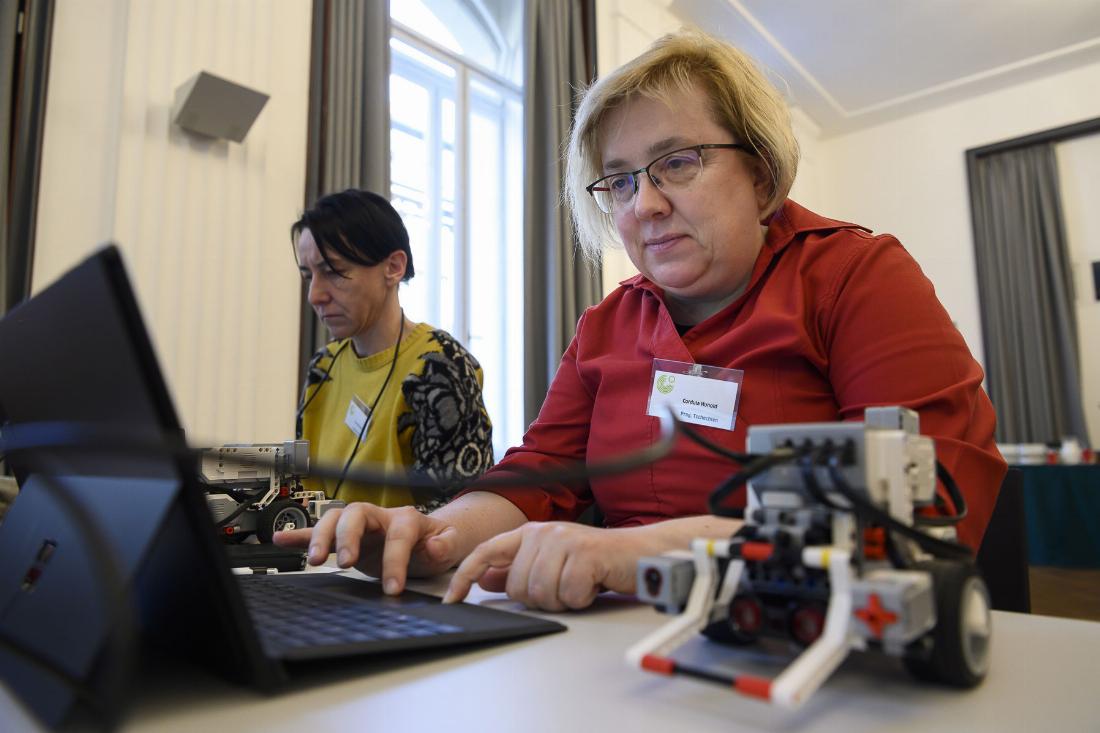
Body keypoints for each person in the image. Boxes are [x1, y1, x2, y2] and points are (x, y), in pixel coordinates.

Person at [276, 31, 1006, 611]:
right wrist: (433, 536)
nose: (644, 205)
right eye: (619, 181)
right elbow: (537, 476)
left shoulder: (857, 276)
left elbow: (925, 513)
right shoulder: (606, 325)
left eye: (677, 162)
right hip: (623, 652)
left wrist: (644, 553)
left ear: (761, 172)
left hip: (807, 641)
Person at [292, 189, 493, 511]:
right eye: (308, 276)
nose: (314, 295)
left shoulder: (439, 366)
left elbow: (462, 512)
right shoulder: (323, 366)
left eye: (332, 272)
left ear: (394, 267)